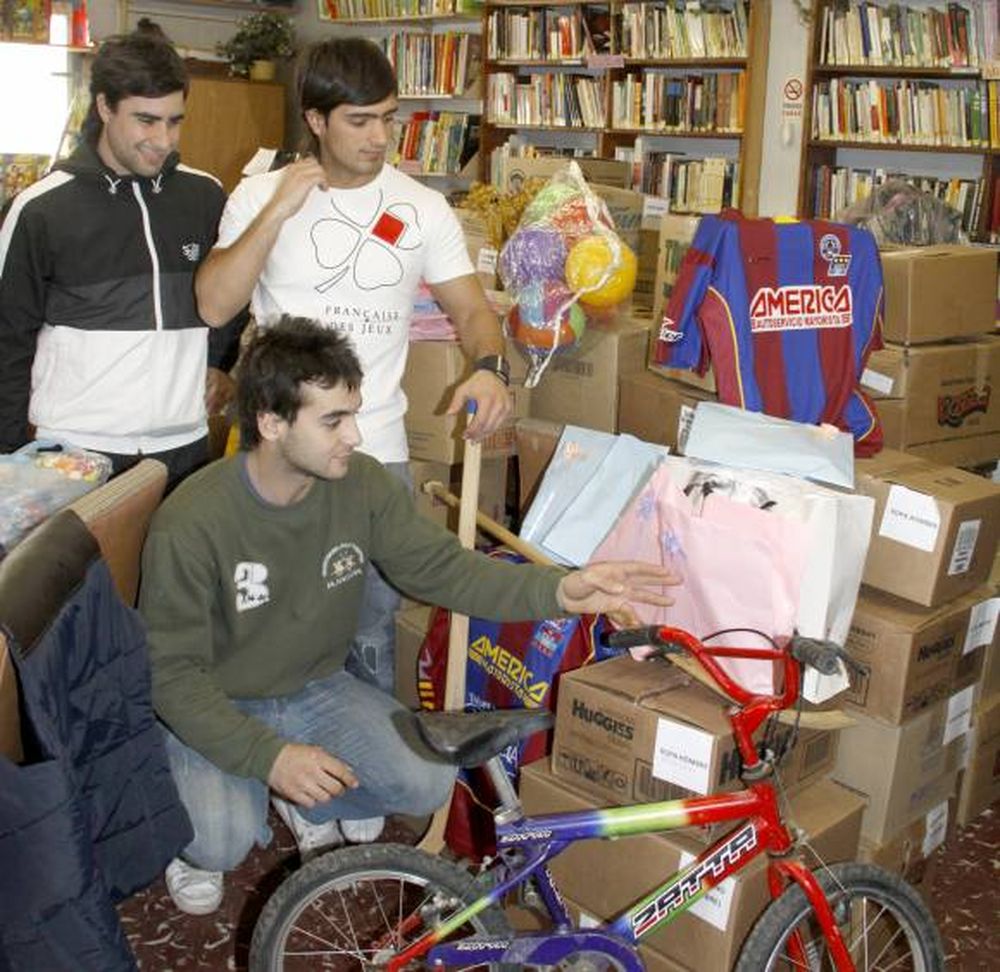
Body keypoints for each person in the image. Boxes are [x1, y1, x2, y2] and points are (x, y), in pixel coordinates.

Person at [139, 317, 679, 916]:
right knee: (221, 841)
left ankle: (303, 795)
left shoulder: (360, 485)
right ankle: (212, 824)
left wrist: (561, 591)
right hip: (220, 698)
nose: (354, 435)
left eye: (354, 413)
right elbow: (172, 678)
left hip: (314, 686)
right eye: (332, 421)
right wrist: (268, 756)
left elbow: (446, 571)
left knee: (426, 780)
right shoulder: (191, 520)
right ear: (270, 423)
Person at [193, 37, 510, 697]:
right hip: (271, 454)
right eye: (359, 121)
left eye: (388, 117)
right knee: (259, 628)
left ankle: (358, 790)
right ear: (315, 120)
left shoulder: (422, 208)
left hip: (376, 452)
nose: (380, 137)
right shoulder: (259, 196)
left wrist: (488, 368)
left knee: (370, 628)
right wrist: (282, 206)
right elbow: (215, 302)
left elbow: (476, 315)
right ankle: (273, 773)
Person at [0, 21, 245, 487]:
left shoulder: (206, 196)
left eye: (175, 121)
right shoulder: (41, 209)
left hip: (183, 446)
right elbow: (7, 339)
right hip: (72, 451)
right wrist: (7, 460)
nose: (164, 140)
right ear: (105, 107)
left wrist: (218, 360)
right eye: (146, 120)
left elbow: (233, 293)